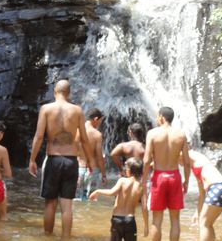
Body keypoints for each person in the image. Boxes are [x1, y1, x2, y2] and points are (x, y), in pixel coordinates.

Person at [29, 79, 94, 237]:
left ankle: (48, 237)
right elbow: (84, 139)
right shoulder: (77, 110)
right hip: (71, 161)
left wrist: (32, 160)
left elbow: (38, 137)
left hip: (54, 159)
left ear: (54, 92)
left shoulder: (46, 109)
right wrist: (91, 161)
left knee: (50, 204)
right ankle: (66, 238)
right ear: (69, 93)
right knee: (67, 206)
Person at [142, 106, 190, 241]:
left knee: (157, 220)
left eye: (157, 116)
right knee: (175, 220)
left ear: (162, 117)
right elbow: (186, 162)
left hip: (159, 177)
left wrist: (143, 181)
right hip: (174, 176)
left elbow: (146, 160)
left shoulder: (152, 133)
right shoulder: (181, 134)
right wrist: (186, 181)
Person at [90, 156, 149, 241]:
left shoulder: (122, 181)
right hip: (130, 220)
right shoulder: (142, 186)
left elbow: (112, 192)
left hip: (117, 219)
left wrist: (97, 191)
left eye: (126, 168)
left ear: (129, 170)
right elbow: (144, 207)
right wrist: (146, 226)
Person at [186, 148, 222, 241]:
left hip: (217, 188)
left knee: (204, 224)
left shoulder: (192, 155)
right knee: (207, 224)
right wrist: (197, 213)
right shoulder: (197, 169)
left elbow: (178, 152)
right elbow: (202, 195)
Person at [76, 107, 107, 200]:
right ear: (96, 119)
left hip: (78, 169)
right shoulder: (97, 134)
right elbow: (99, 157)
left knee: (76, 200)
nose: (100, 123)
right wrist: (104, 175)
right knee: (91, 200)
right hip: (92, 171)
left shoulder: (77, 130)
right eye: (100, 121)